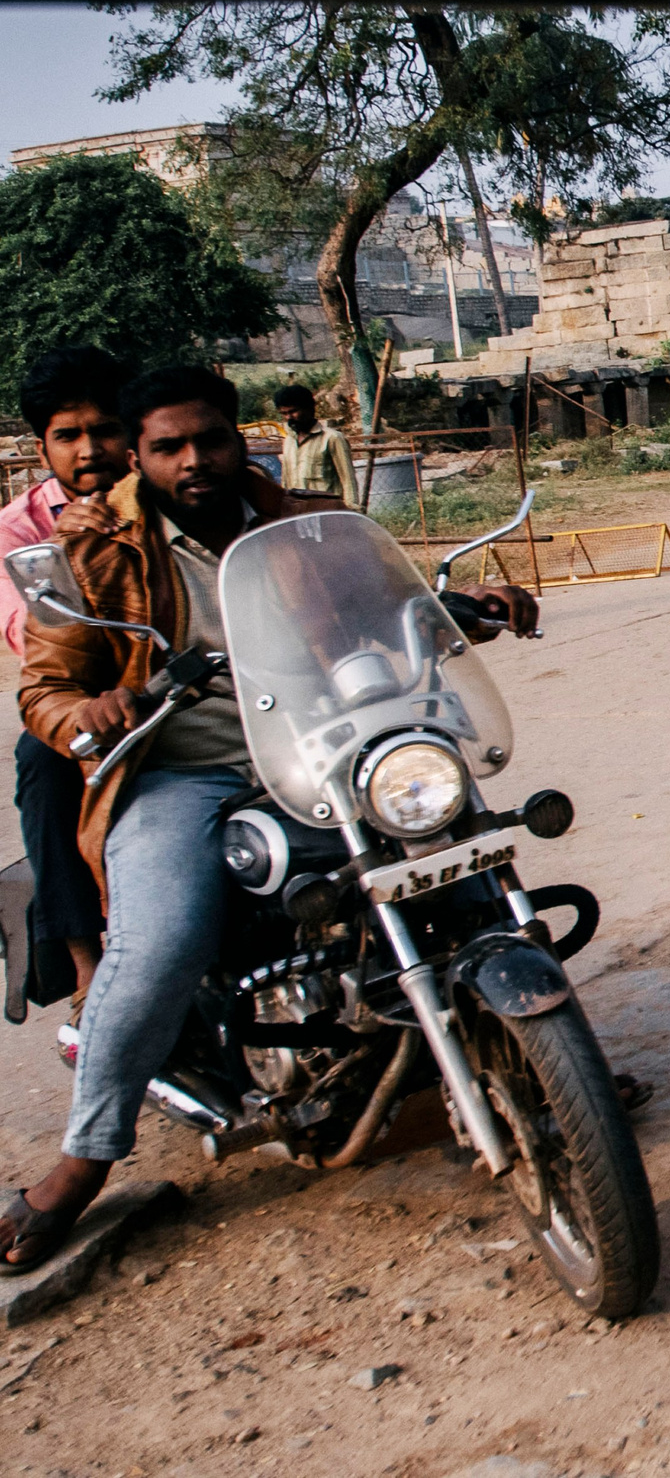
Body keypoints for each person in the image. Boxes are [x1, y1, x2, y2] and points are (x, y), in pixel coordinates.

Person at [0, 366, 537, 1271]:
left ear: (238, 436)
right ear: (140, 455)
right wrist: (87, 711)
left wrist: (460, 611)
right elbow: (45, 687)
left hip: (324, 742)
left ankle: (539, 1051)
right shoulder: (91, 546)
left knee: (460, 841)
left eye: (210, 438)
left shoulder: (297, 522)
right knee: (162, 940)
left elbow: (381, 608)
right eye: (169, 446)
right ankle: (84, 1157)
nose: (195, 459)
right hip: (183, 767)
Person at [1, 349, 130, 1016]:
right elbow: (28, 631)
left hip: (195, 684)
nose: (90, 449)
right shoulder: (19, 529)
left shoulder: (170, 486)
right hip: (86, 702)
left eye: (105, 429)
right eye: (68, 435)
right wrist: (74, 549)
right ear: (42, 444)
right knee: (40, 762)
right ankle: (87, 963)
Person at [271, 382, 357, 502]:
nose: (288, 417)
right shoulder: (289, 441)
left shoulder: (332, 438)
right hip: (298, 513)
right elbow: (286, 481)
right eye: (284, 413)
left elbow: (348, 480)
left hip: (326, 512)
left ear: (309, 408)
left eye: (293, 411)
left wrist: (350, 512)